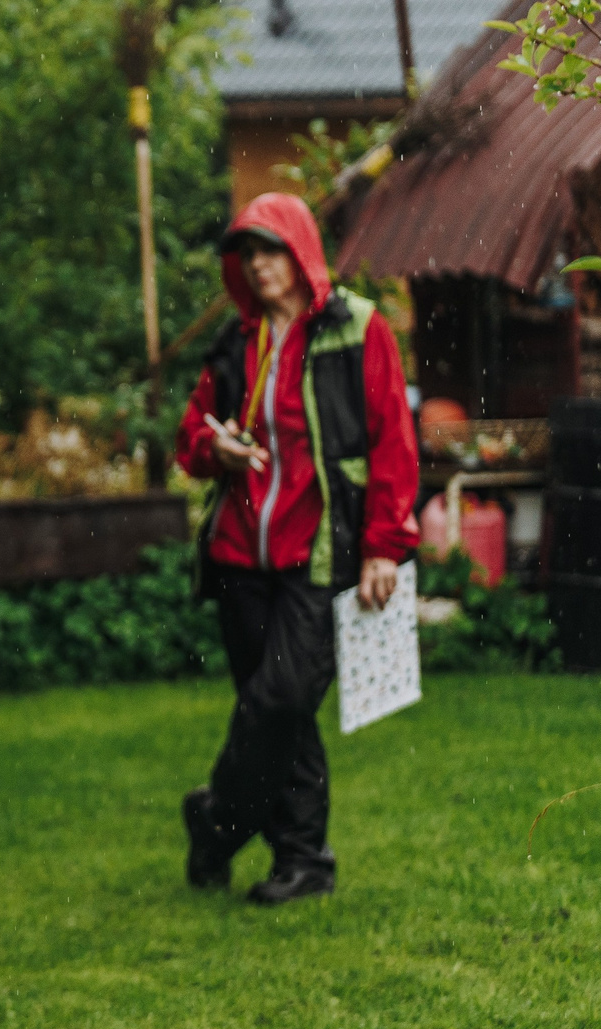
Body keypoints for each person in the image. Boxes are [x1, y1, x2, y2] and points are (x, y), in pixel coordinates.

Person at [174, 191, 418, 903]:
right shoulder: (235, 347)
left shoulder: (358, 330)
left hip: (319, 553)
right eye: (246, 253)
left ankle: (216, 822)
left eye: (269, 248)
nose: (256, 264)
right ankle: (303, 861)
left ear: (301, 250)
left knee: (278, 703)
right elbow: (191, 439)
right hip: (238, 558)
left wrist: (385, 548)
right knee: (281, 714)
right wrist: (211, 446)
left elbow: (393, 447)